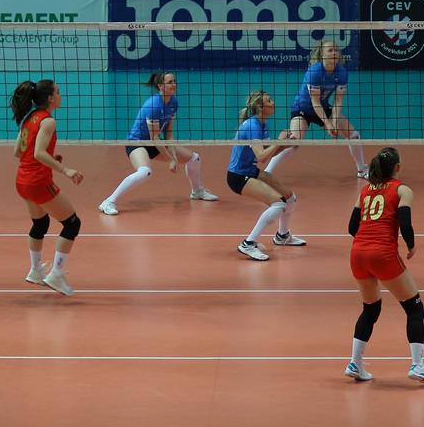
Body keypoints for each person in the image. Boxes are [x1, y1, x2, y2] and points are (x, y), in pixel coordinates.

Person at [343, 147, 424, 385]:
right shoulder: (402, 190)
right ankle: (418, 365)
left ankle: (355, 363)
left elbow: (352, 227)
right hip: (382, 254)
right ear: (397, 167)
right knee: (414, 308)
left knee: (370, 309)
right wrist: (411, 245)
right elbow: (405, 222)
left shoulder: (365, 191)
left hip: (357, 254)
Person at [98, 71, 217, 216]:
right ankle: (108, 201)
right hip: (137, 142)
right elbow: (155, 137)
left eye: (174, 81)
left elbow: (168, 133)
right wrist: (171, 159)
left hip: (155, 142)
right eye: (170, 82)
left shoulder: (173, 102)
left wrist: (174, 157)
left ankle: (197, 191)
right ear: (161, 86)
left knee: (194, 158)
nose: (174, 84)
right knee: (145, 172)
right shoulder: (154, 105)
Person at [11, 79, 84, 297]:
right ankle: (56, 275)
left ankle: (35, 271)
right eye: (58, 92)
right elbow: (38, 153)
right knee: (72, 224)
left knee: (40, 223)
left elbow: (18, 152)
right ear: (50, 98)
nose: (61, 95)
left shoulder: (29, 117)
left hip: (22, 181)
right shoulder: (48, 121)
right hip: (38, 181)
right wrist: (65, 169)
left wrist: (49, 157)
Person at [265, 39, 368, 179]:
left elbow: (338, 101)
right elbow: (315, 101)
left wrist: (334, 122)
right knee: (294, 140)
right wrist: (328, 123)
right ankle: (267, 172)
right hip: (302, 109)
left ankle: (361, 169)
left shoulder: (342, 72)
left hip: (323, 107)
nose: (334, 52)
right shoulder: (315, 71)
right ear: (322, 55)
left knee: (353, 135)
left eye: (336, 50)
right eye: (330, 50)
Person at [226, 90, 303, 261]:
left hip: (250, 171)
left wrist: (286, 144)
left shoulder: (262, 125)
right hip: (238, 177)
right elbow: (261, 157)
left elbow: (269, 151)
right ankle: (248, 243)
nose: (273, 102)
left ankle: (282, 235)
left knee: (290, 198)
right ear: (260, 108)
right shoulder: (253, 126)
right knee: (278, 204)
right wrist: (279, 141)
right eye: (269, 101)